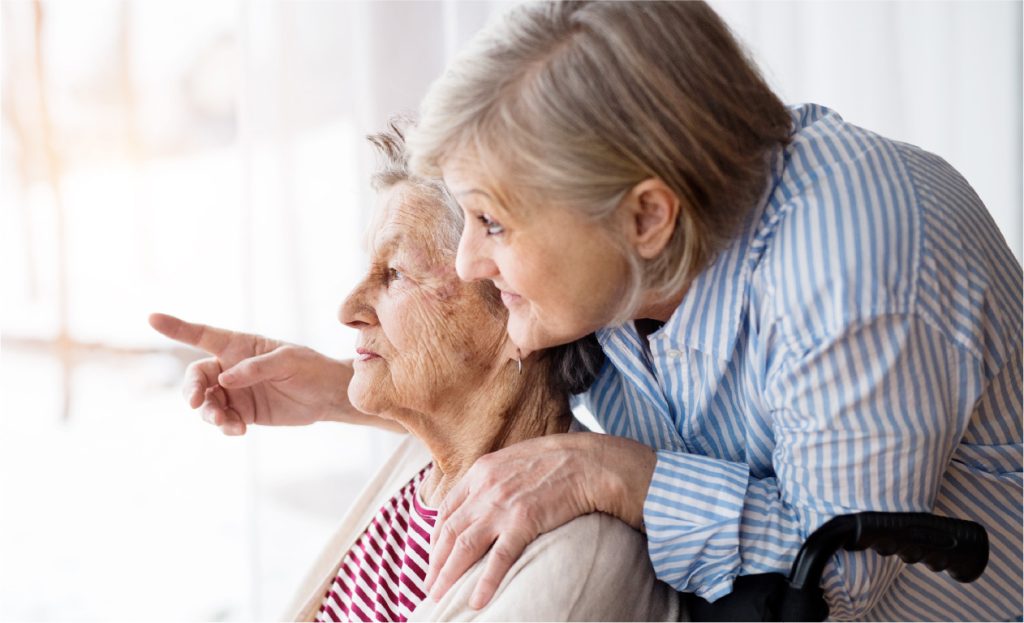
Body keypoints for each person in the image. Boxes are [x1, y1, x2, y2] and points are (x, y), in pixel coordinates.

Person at [399, 2, 1023, 621]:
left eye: (492, 223)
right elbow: (502, 386)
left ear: (647, 217)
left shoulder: (850, 267)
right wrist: (349, 393)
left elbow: (834, 579)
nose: (466, 262)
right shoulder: (617, 269)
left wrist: (615, 474)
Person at [149, 120, 681, 622]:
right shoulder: (427, 461)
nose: (347, 308)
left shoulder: (580, 559)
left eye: (395, 273)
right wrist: (329, 392)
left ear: (516, 308)